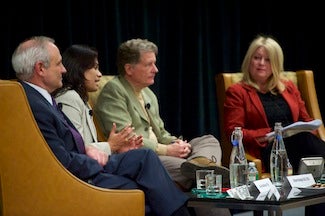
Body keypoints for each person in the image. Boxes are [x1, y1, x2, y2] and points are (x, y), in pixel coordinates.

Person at [11, 36, 191, 216]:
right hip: (76, 175)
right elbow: (61, 161)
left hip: (84, 160)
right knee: (145, 190)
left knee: (144, 157)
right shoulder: (32, 104)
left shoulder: (41, 98)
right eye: (58, 64)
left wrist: (94, 151)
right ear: (40, 68)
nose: (64, 69)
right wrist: (98, 157)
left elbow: (67, 145)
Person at [93, 38, 230, 191]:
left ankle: (199, 163)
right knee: (198, 177)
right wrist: (167, 150)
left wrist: (177, 144)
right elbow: (126, 139)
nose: (155, 69)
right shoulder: (114, 91)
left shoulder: (148, 94)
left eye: (154, 63)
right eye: (148, 64)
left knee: (208, 140)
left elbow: (161, 133)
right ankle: (202, 170)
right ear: (129, 69)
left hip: (162, 152)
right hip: (143, 158)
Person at [223, 34, 325, 175]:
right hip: (268, 149)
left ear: (276, 63)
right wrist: (268, 134)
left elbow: (306, 120)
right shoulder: (238, 91)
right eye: (257, 58)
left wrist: (305, 128)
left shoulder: (289, 87)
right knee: (305, 141)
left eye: (268, 60)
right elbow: (233, 132)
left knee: (305, 139)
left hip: (300, 144)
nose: (261, 63)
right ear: (249, 60)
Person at [53, 44, 143, 155]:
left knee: (142, 156)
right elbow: (76, 149)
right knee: (146, 157)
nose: (100, 74)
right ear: (79, 68)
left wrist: (117, 149)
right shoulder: (69, 97)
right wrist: (110, 145)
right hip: (83, 169)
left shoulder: (81, 99)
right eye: (95, 68)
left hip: (93, 165)